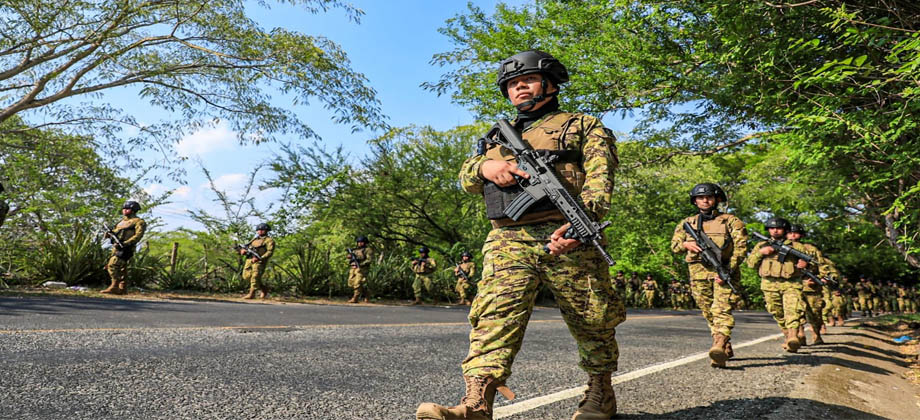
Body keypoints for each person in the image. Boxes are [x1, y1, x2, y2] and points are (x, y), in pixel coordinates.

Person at [416, 50, 624, 420]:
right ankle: (477, 403)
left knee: (593, 319)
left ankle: (600, 394)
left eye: (527, 79)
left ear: (551, 84)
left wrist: (582, 224)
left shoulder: (582, 125)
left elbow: (599, 182)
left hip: (568, 234)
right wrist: (486, 165)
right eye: (512, 83)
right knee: (494, 316)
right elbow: (466, 180)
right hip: (508, 239)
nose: (519, 87)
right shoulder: (495, 137)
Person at [670, 183, 748, 367]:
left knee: (720, 310)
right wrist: (685, 245)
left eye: (709, 197)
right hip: (698, 274)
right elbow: (674, 246)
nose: (705, 200)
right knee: (708, 312)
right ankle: (724, 345)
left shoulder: (730, 221)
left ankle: (718, 346)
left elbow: (741, 247)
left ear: (716, 200)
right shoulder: (687, 223)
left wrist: (729, 269)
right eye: (700, 198)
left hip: (723, 271)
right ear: (695, 201)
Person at [746, 217, 810, 352]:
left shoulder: (797, 247)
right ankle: (788, 336)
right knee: (777, 312)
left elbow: (808, 262)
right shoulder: (761, 245)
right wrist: (760, 253)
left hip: (791, 284)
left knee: (793, 310)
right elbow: (750, 264)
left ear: (785, 230)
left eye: (779, 228)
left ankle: (793, 336)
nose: (775, 231)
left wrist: (804, 264)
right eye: (772, 228)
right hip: (769, 284)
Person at [786, 224, 838, 345]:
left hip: (811, 286)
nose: (793, 235)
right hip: (791, 285)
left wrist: (821, 278)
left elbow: (821, 266)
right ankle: (799, 334)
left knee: (815, 313)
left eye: (796, 233)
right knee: (795, 312)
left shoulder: (811, 249)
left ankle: (816, 334)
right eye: (790, 233)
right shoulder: (783, 247)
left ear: (802, 235)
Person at [102, 201, 147, 295]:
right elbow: (115, 232)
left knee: (113, 265)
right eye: (124, 208)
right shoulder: (121, 222)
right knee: (121, 268)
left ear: (133, 210)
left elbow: (138, 235)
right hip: (116, 247)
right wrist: (108, 234)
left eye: (128, 209)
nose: (125, 210)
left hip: (126, 248)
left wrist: (126, 243)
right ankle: (122, 289)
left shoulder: (139, 222)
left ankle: (114, 287)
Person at [240, 223, 274, 299]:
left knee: (255, 276)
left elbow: (270, 252)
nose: (260, 231)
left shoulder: (269, 240)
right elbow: (248, 247)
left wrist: (260, 258)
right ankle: (263, 289)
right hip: (249, 259)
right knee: (246, 276)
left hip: (259, 261)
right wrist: (243, 251)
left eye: (262, 230)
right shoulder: (254, 239)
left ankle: (251, 294)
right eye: (258, 230)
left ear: (266, 231)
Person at [347, 235, 374, 303]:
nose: (360, 243)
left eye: (361, 242)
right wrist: (350, 257)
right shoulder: (355, 250)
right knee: (351, 283)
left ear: (365, 242)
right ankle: (367, 294)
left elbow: (369, 260)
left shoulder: (368, 250)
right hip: (353, 268)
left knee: (357, 282)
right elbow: (350, 258)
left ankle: (355, 298)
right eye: (358, 242)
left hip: (362, 269)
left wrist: (361, 264)